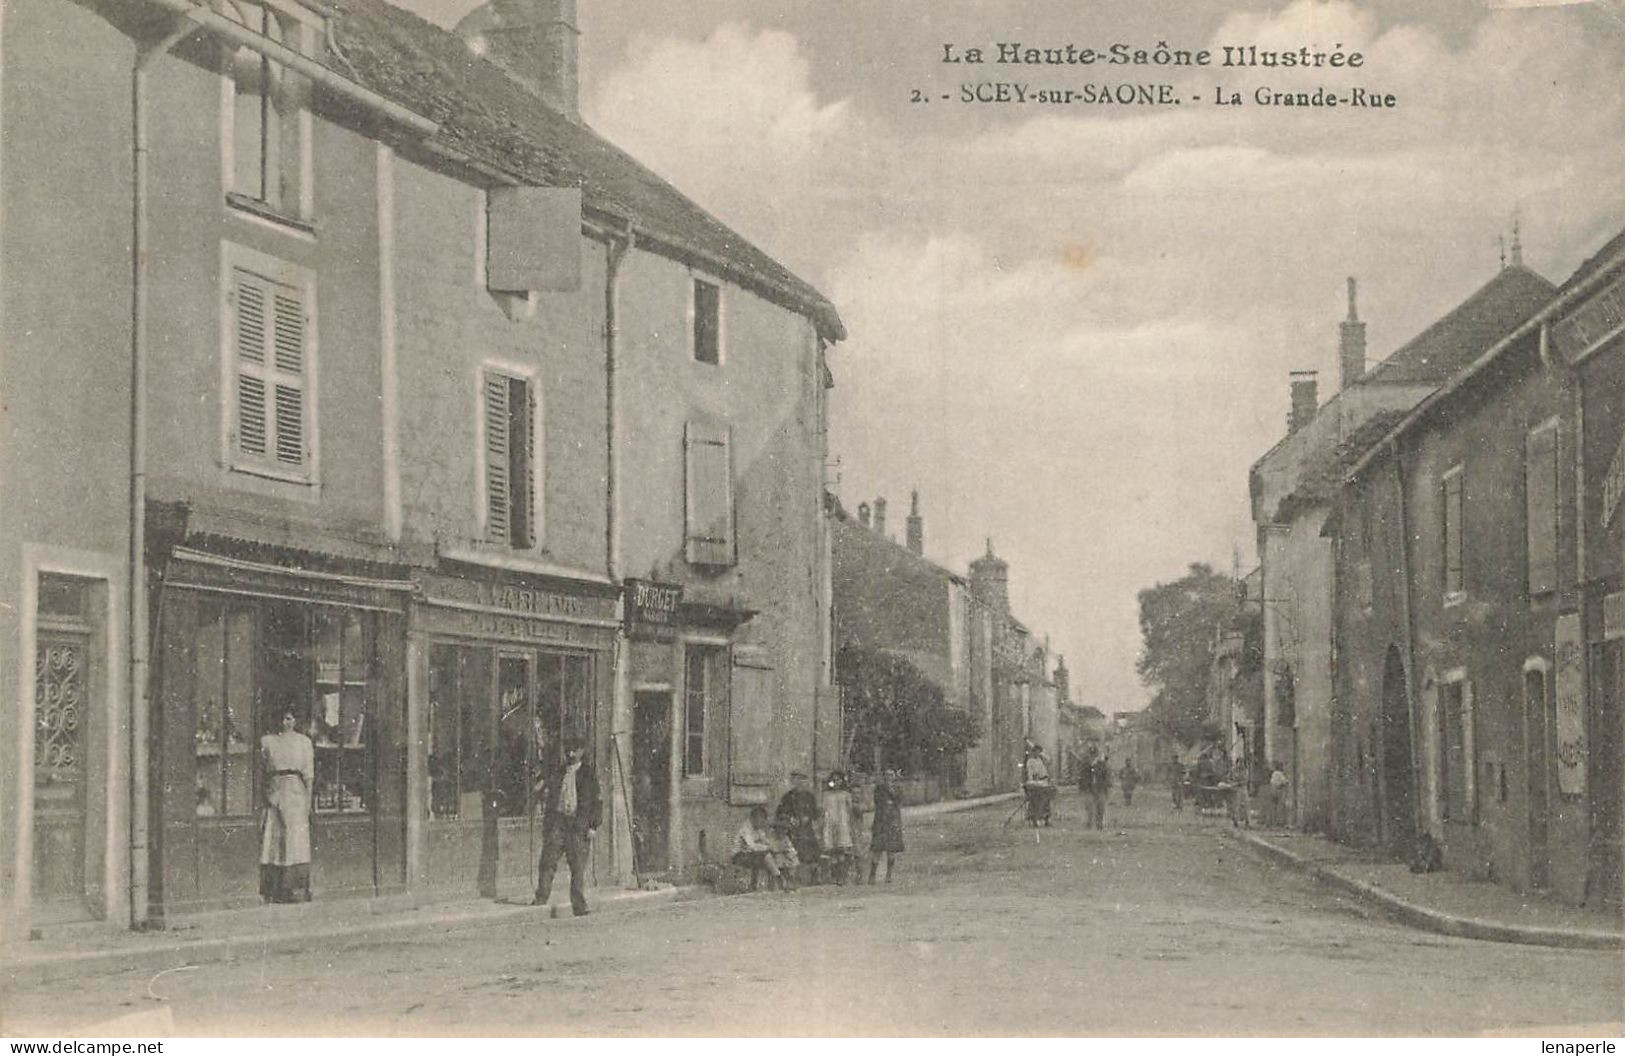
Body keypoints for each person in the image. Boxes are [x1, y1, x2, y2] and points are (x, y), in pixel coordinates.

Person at [533, 739, 601, 916]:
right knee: (548, 861)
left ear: (581, 751)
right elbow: (546, 790)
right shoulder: (559, 772)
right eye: (568, 750)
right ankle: (541, 897)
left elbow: (597, 802)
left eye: (574, 751)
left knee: (578, 866)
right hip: (559, 822)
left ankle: (578, 904)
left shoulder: (588, 774)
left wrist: (593, 825)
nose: (570, 754)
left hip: (578, 825)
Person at [259, 708, 314, 903]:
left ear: (296, 720)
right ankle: (272, 887)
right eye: (282, 718)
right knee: (273, 836)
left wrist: (308, 801)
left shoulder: (304, 742)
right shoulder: (268, 741)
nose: (285, 722)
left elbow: (309, 774)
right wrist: (267, 792)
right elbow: (263, 769)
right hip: (275, 789)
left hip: (296, 791)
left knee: (295, 837)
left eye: (290, 718)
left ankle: (295, 887)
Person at [775, 771, 822, 883]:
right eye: (796, 780)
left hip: (807, 828)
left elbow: (815, 813)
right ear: (792, 782)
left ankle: (814, 876)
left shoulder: (809, 797)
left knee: (812, 850)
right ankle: (794, 877)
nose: (799, 782)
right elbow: (781, 812)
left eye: (802, 780)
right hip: (793, 829)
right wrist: (790, 819)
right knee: (794, 850)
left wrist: (808, 817)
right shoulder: (787, 797)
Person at [733, 805, 793, 891]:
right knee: (766, 854)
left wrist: (774, 846)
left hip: (751, 855)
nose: (763, 822)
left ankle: (775, 884)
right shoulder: (745, 829)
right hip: (739, 856)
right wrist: (769, 847)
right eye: (761, 819)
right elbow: (752, 846)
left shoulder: (758, 829)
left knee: (771, 854)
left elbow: (765, 840)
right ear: (754, 818)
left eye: (764, 819)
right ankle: (779, 878)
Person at [820, 771, 861, 885]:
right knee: (832, 851)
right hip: (830, 824)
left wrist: (851, 825)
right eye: (834, 780)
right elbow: (823, 811)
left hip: (843, 824)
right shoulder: (826, 795)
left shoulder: (846, 795)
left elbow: (851, 811)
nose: (836, 782)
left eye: (838, 780)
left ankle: (842, 876)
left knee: (842, 850)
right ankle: (835, 875)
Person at [868, 771, 905, 882]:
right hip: (880, 822)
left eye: (891, 775)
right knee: (877, 850)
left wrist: (891, 794)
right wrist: (889, 801)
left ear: (894, 777)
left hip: (893, 822)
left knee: (891, 850)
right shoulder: (879, 789)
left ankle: (889, 875)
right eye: (887, 775)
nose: (889, 777)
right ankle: (872, 875)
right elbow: (878, 802)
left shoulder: (897, 788)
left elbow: (898, 800)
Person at [1023, 745, 1054, 826]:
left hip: (1043, 781)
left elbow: (1049, 761)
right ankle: (1035, 818)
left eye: (1039, 751)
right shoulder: (1030, 761)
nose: (1037, 753)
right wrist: (1033, 780)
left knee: (1047, 797)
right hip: (1035, 781)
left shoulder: (1040, 760)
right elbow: (1030, 774)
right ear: (1033, 752)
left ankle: (1046, 817)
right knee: (1037, 798)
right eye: (1036, 751)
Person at [1086, 752, 1110, 830]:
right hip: (1092, 789)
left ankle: (1098, 824)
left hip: (1099, 789)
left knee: (1099, 808)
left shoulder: (1102, 767)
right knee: (1092, 808)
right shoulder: (1089, 767)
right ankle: (1092, 823)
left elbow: (1105, 779)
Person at [1267, 761, 1289, 828]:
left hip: (1272, 790)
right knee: (1279, 807)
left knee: (1273, 808)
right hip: (1278, 791)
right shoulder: (1279, 773)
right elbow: (1284, 782)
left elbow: (1272, 782)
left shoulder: (1274, 773)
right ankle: (1278, 822)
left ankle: (1272, 822)